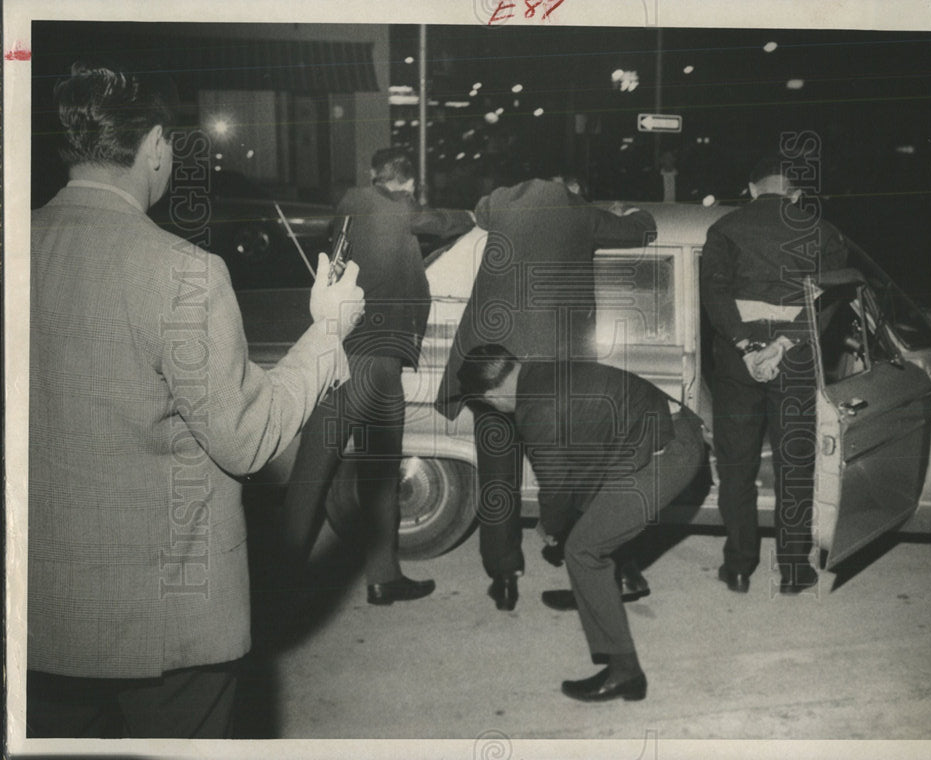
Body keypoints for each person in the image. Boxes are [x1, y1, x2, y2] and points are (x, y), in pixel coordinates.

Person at [27, 61, 364, 738]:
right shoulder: (184, 271)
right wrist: (327, 333)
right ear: (156, 146)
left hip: (38, 617)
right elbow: (244, 438)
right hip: (165, 625)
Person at [435, 174, 658, 610]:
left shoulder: (501, 202)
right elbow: (642, 229)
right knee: (578, 466)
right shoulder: (580, 213)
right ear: (573, 191)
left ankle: (502, 577)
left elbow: (478, 211)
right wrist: (630, 213)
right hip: (552, 366)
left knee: (497, 472)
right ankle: (609, 561)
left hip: (490, 359)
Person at [457, 345, 705, 702]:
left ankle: (625, 672)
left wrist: (550, 529)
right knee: (592, 510)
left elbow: (556, 488)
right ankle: (612, 581)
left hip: (668, 454)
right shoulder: (542, 368)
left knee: (583, 551)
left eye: (487, 404)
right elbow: (581, 465)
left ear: (492, 394)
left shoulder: (534, 410)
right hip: (670, 428)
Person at [280, 148, 474, 605]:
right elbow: (445, 223)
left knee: (312, 468)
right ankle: (383, 576)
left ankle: (280, 578)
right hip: (379, 362)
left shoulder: (348, 211)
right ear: (407, 185)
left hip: (339, 351)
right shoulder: (401, 211)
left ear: (371, 176)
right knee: (381, 474)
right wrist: (474, 213)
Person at [700, 153, 850, 595]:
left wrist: (748, 348)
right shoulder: (823, 232)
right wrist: (783, 344)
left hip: (735, 359)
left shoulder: (724, 228)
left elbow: (714, 292)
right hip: (796, 357)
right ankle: (792, 570)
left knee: (737, 465)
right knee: (794, 464)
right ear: (796, 193)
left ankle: (741, 566)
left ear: (751, 190)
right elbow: (827, 301)